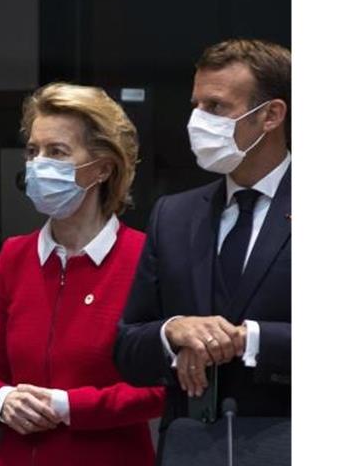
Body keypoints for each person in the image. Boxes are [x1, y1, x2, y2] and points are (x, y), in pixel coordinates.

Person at [0, 83, 165, 466]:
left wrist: (67, 407)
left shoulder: (144, 258)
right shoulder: (13, 257)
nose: (38, 165)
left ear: (102, 167)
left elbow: (162, 387)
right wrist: (2, 401)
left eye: (57, 152)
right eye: (33, 151)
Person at [115, 39, 290, 426]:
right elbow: (127, 348)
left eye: (216, 107)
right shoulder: (173, 216)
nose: (198, 121)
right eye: (196, 105)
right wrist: (173, 332)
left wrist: (249, 340)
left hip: (289, 453)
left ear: (271, 115)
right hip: (191, 451)